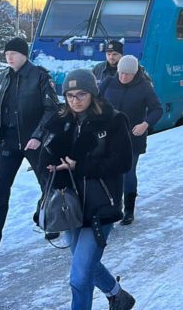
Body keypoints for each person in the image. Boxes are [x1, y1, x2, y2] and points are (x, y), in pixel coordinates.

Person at [40, 69, 135, 310]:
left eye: (81, 94)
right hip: (69, 205)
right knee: (85, 264)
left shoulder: (113, 120)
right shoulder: (61, 122)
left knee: (80, 276)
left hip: (100, 206)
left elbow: (123, 162)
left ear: (92, 93)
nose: (75, 100)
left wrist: (80, 166)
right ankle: (117, 295)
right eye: (70, 95)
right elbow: (44, 157)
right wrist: (50, 164)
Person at [0, 37, 59, 257]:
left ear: (24, 55)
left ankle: (52, 222)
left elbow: (52, 109)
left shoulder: (39, 76)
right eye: (6, 54)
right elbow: (1, 113)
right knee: (0, 190)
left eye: (14, 53)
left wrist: (38, 136)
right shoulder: (3, 78)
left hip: (33, 141)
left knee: (47, 183)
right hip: (8, 142)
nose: (9, 57)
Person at [98, 55, 161, 225]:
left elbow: (157, 109)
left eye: (127, 74)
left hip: (133, 138)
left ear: (135, 74)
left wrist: (145, 124)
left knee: (128, 173)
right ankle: (113, 207)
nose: (123, 77)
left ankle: (129, 209)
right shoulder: (108, 83)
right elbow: (95, 103)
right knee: (109, 172)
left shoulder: (144, 87)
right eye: (121, 73)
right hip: (109, 138)